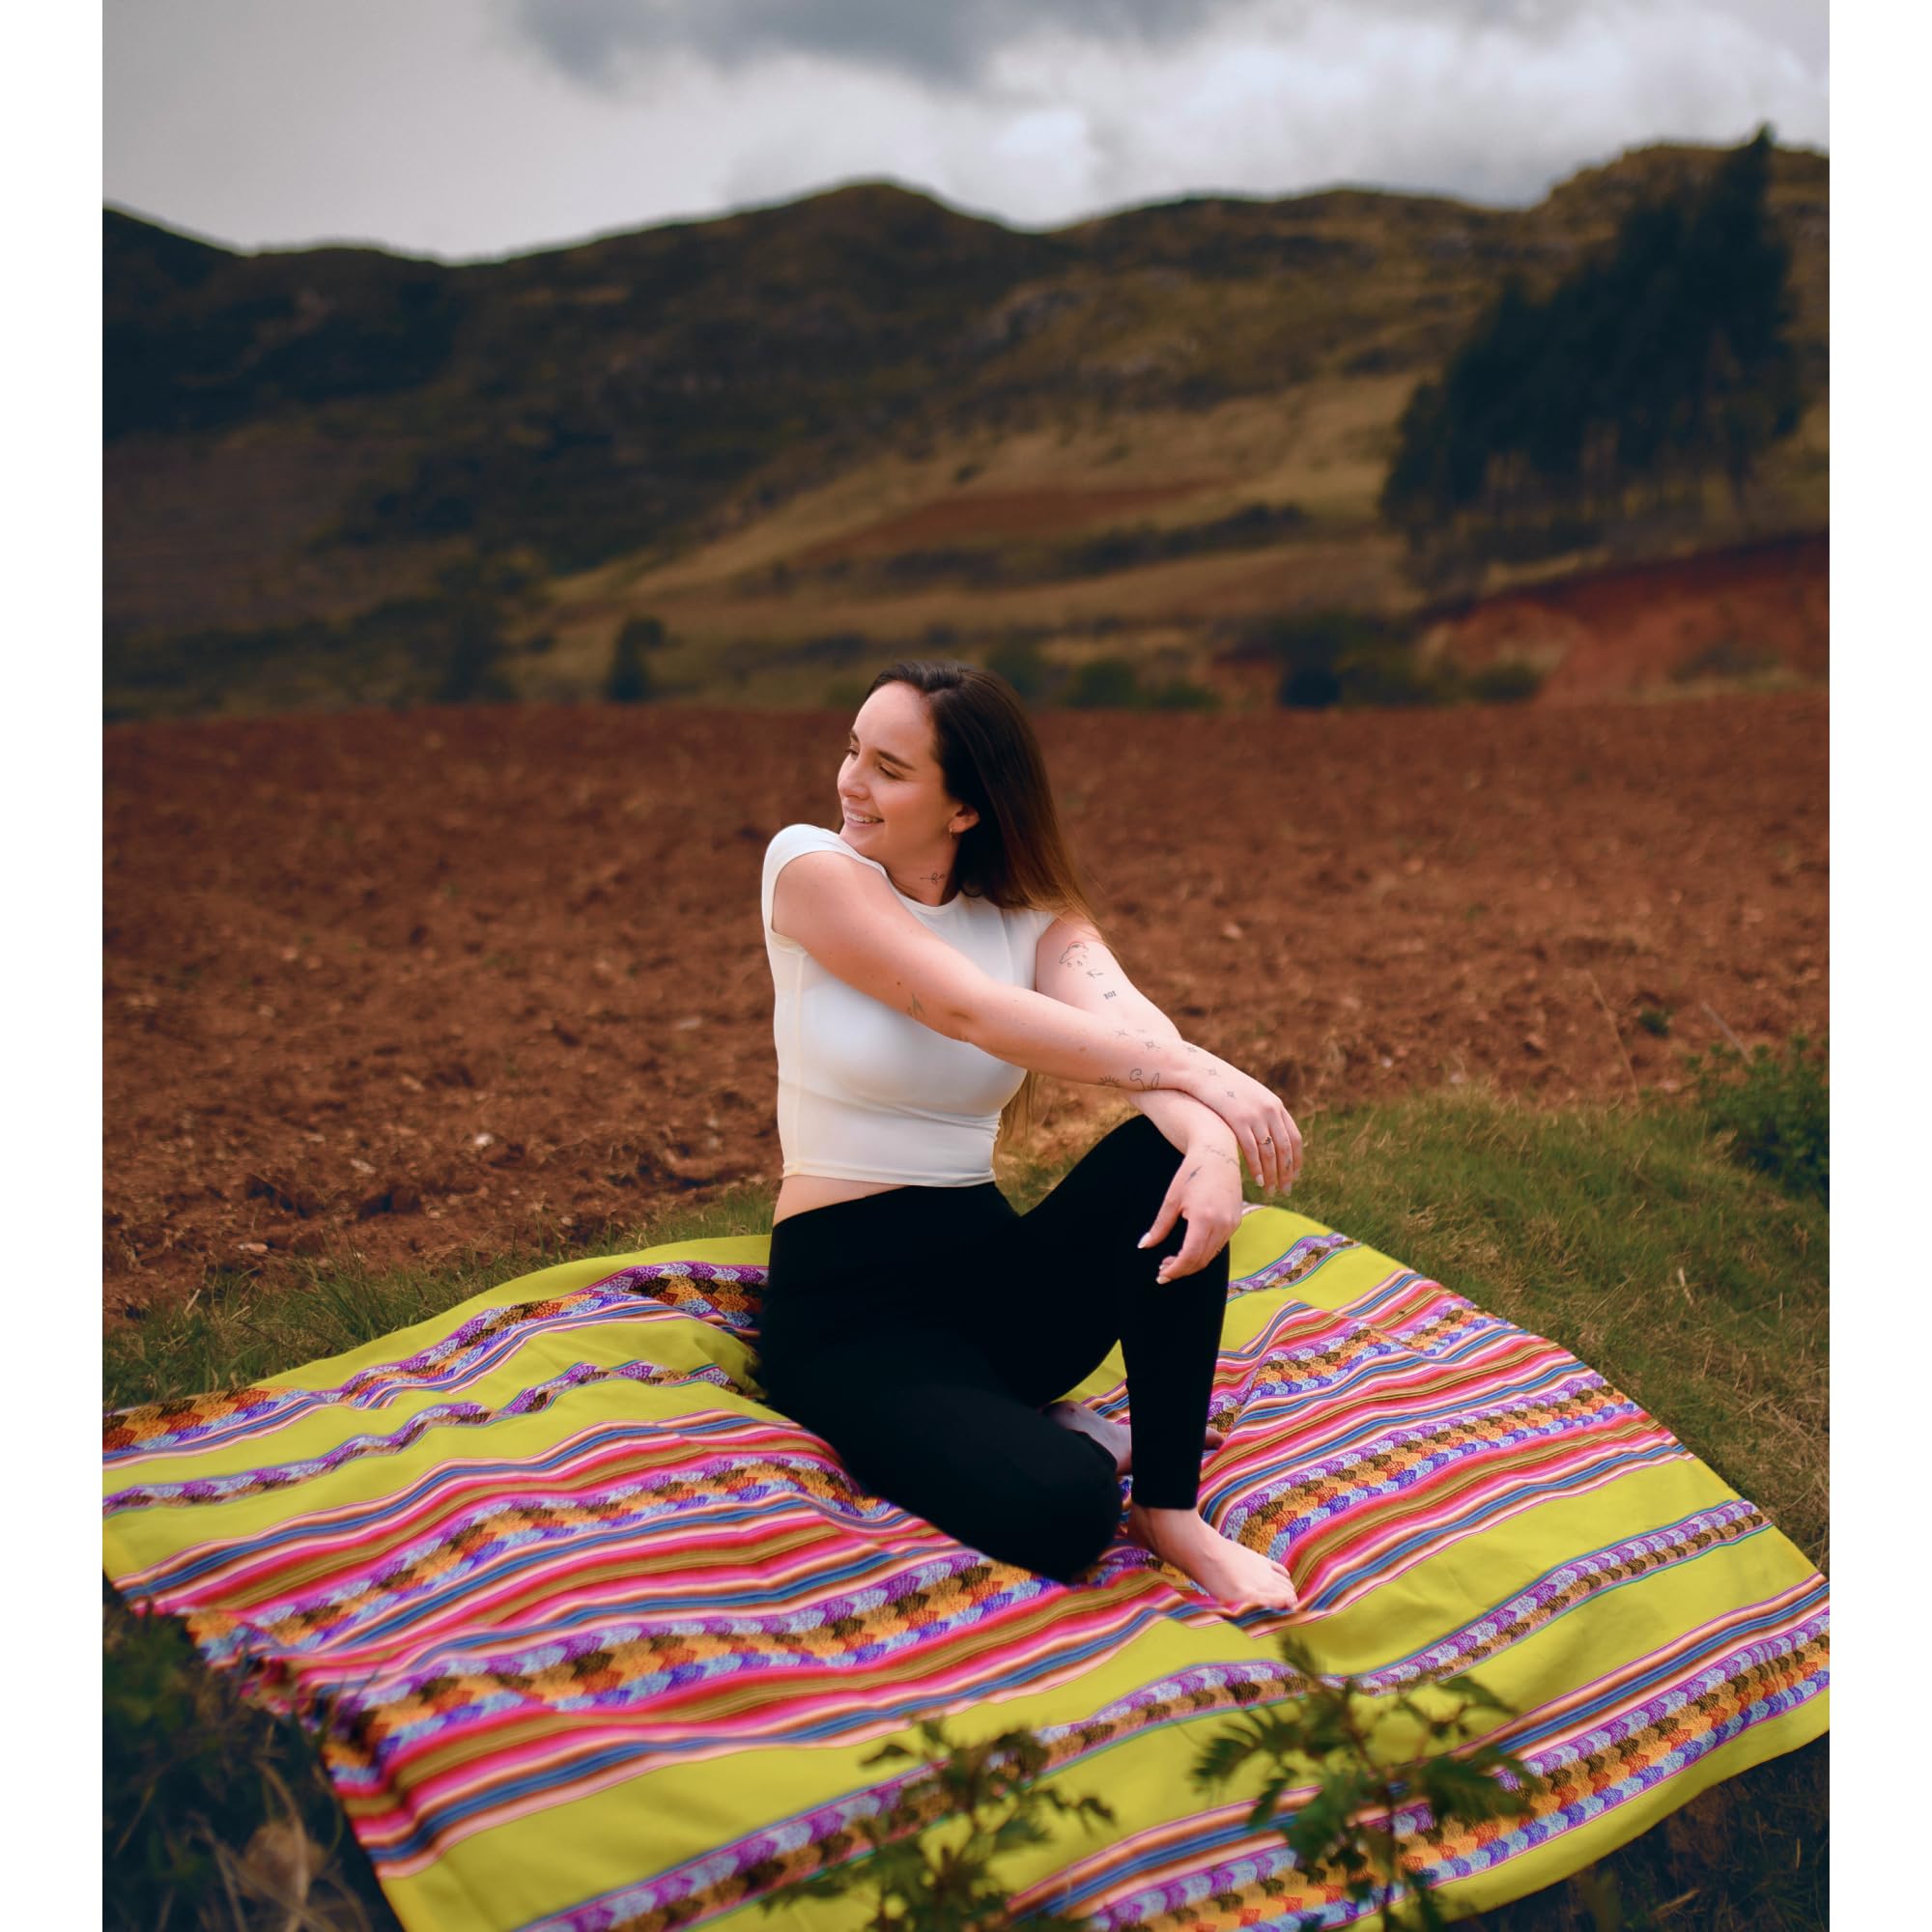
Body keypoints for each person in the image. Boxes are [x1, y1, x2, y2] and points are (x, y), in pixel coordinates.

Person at [757, 660, 1304, 1611]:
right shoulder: (809, 868)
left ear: (964, 807)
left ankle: (1171, 1508)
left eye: (887, 766)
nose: (850, 780)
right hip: (853, 1315)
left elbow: (1138, 1036)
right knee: (1062, 1507)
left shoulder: (1031, 916)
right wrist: (1203, 1077)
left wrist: (1210, 1149)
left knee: (1170, 1152)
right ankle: (1073, 1445)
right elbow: (970, 1010)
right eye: (853, 750)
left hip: (995, 1286)